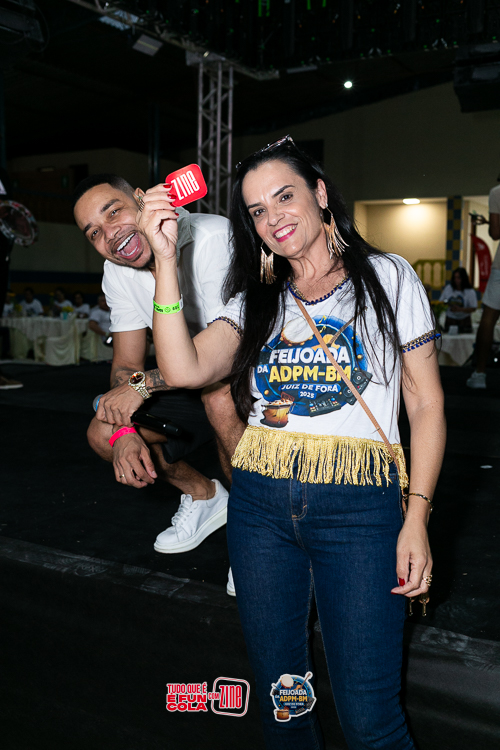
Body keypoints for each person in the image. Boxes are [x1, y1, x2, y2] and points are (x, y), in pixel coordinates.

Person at [143, 137, 446, 748]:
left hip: (360, 510)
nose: (273, 217)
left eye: (284, 196)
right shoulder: (254, 298)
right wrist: (164, 261)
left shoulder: (388, 276)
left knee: (370, 719)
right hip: (260, 507)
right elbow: (181, 369)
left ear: (320, 194)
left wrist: (416, 518)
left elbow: (426, 403)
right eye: (257, 210)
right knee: (285, 705)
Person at [73, 174, 244, 572]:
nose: (109, 234)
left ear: (140, 199)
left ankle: (257, 531)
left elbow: (226, 354)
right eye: (94, 232)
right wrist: (124, 431)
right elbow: (126, 365)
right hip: (185, 380)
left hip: (245, 374)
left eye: (113, 212)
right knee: (103, 432)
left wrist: (142, 385)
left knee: (218, 397)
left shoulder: (213, 239)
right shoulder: (116, 271)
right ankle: (205, 495)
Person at [467, 180, 500, 389]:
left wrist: (492, 223)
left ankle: (479, 373)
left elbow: (495, 233)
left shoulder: (497, 192)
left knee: (489, 318)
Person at [439, 267, 477, 333]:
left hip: (464, 320)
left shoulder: (470, 291)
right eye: (455, 278)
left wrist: (460, 309)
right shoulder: (448, 288)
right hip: (450, 319)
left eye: (458, 278)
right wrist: (447, 305)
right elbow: (441, 302)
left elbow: (473, 308)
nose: (456, 280)